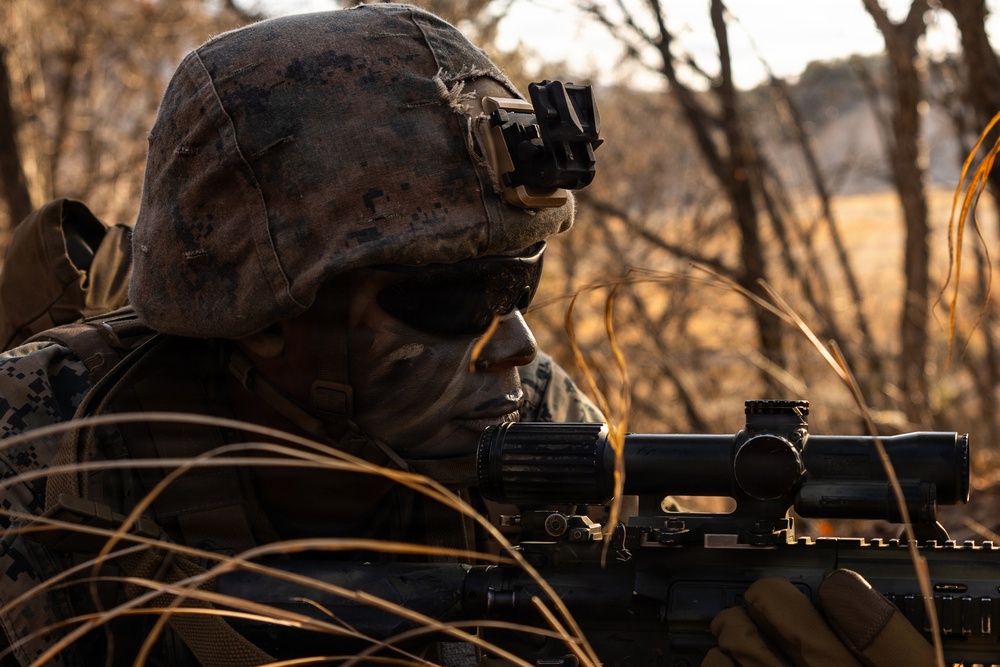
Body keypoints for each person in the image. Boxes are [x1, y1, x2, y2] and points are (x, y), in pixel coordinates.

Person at [0, 5, 603, 666]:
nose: (516, 345)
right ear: (264, 322)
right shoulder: (37, 452)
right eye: (456, 298)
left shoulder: (533, 418)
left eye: (519, 284)